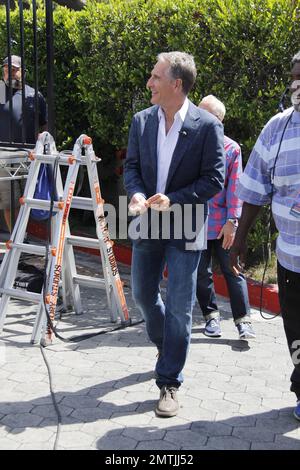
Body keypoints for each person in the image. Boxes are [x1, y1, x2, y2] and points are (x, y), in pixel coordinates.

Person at [124, 51, 225, 417]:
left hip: (185, 224)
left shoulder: (207, 125)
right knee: (142, 294)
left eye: (155, 77)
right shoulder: (141, 121)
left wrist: (176, 199)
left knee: (180, 308)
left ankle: (169, 382)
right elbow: (132, 167)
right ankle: (167, 346)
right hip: (148, 219)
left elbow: (214, 179)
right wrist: (135, 192)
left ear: (176, 84)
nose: (149, 83)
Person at [230, 51, 300, 421]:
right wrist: (239, 239)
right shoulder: (278, 127)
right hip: (291, 258)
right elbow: (254, 187)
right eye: (293, 78)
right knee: (297, 332)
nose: (296, 85)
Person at [196, 95, 255, 340]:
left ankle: (243, 322)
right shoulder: (190, 144)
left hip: (222, 225)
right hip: (195, 223)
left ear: (217, 120)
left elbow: (235, 189)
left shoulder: (231, 149)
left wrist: (233, 221)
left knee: (233, 270)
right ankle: (211, 318)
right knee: (200, 274)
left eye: (203, 114)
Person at [0, 55, 47, 231]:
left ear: (22, 72)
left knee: (31, 199)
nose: (9, 72)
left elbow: (44, 126)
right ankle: (17, 240)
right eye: (6, 68)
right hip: (3, 156)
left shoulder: (33, 95)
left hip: (30, 156)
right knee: (9, 202)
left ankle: (24, 239)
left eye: (13, 69)